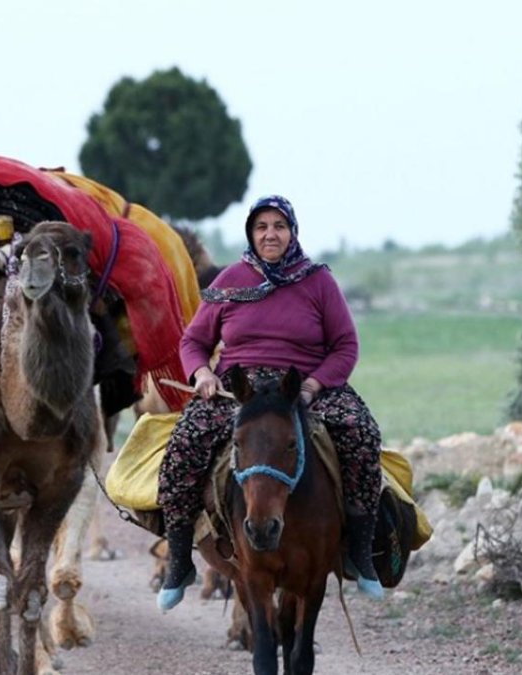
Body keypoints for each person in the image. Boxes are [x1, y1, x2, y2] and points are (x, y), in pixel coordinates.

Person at [156, 194, 384, 611]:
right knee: (184, 444)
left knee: (361, 434)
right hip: (238, 387)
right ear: (251, 233)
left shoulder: (317, 281)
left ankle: (361, 554)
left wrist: (315, 385)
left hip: (304, 386)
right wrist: (202, 374)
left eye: (278, 226)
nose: (270, 234)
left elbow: (346, 345)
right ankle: (178, 560)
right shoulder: (229, 280)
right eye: (261, 227)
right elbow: (194, 341)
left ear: (292, 232)